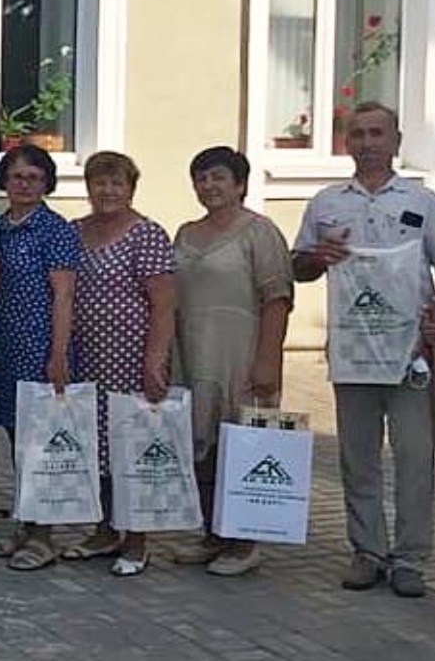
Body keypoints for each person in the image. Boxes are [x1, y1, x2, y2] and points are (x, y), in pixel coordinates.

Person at [292, 102, 435, 599]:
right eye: (357, 134)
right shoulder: (326, 202)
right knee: (357, 459)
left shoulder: (424, 202)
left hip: (410, 356)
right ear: (347, 142)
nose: (367, 142)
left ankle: (410, 560)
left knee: (414, 458)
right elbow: (299, 267)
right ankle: (367, 553)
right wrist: (318, 257)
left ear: (396, 141)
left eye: (377, 133)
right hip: (352, 353)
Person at [171, 146, 293, 577]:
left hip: (240, 355)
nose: (209, 186)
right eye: (201, 178)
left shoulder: (260, 231)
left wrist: (268, 361)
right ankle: (213, 534)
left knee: (242, 445)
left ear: (240, 184)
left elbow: (277, 299)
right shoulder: (185, 233)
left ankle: (245, 542)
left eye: (219, 177)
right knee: (201, 446)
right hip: (192, 354)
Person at [65, 150, 176, 577]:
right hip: (87, 358)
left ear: (131, 188)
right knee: (96, 447)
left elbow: (164, 304)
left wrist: (155, 360)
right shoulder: (75, 231)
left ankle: (137, 540)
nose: (108, 191)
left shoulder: (147, 234)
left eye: (117, 183)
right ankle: (106, 530)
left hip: (130, 360)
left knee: (133, 446)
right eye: (100, 182)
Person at [0, 144, 80, 571]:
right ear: (4, 180)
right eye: (17, 176)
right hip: (2, 348)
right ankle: (26, 524)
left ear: (46, 183)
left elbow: (64, 295)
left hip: (39, 348)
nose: (24, 184)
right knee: (16, 439)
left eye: (33, 178)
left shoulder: (55, 230)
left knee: (40, 442)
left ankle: (43, 535)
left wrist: (58, 354)